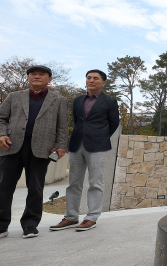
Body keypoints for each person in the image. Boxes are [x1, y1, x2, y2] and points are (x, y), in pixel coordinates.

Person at [0, 65, 68, 242]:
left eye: (41, 74)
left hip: (42, 148)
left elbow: (62, 126)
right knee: (4, 187)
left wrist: (60, 146)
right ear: (28, 78)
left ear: (49, 79)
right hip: (11, 146)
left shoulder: (59, 100)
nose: (36, 76)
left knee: (36, 188)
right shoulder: (14, 96)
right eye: (33, 74)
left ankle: (30, 224)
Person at [50, 70, 119, 232]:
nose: (91, 81)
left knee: (95, 182)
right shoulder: (78, 100)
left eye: (96, 78)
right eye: (89, 78)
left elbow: (113, 123)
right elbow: (77, 121)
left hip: (98, 146)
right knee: (73, 183)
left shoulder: (109, 101)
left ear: (104, 83)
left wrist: (100, 136)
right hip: (76, 145)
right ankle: (71, 217)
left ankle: (91, 217)